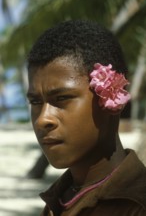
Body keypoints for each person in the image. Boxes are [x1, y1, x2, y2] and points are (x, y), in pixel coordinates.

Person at [26, 20, 146, 216]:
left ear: (111, 97)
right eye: (36, 102)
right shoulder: (60, 198)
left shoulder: (136, 206)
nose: (42, 120)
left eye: (62, 98)